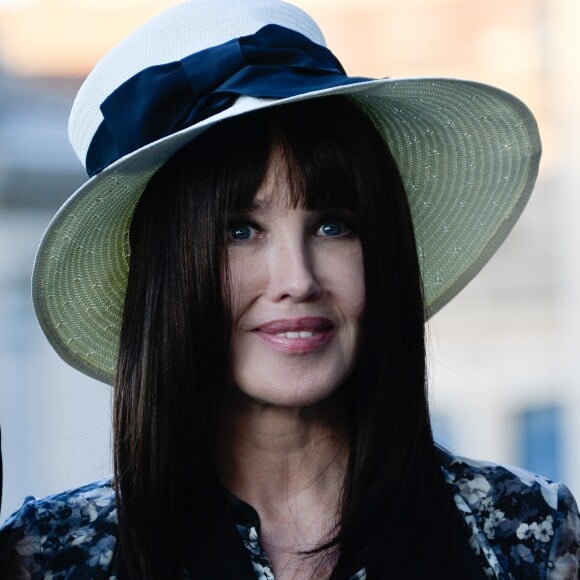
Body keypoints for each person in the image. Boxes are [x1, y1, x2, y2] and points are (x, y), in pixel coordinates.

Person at [0, 0, 579, 578]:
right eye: (239, 231)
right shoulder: (47, 558)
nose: (298, 280)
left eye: (333, 226)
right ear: (164, 277)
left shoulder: (526, 532)